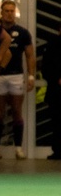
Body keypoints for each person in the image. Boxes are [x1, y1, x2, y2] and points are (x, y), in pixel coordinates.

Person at [0, 0, 34, 160]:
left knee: (17, 111)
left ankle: (18, 148)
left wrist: (30, 76)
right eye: (6, 10)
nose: (9, 13)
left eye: (12, 11)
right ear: (1, 12)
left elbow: (30, 55)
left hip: (16, 75)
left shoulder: (22, 32)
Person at [41, 27, 61, 160]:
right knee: (57, 121)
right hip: (56, 90)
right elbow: (46, 66)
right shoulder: (53, 43)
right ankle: (58, 151)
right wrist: (56, 78)